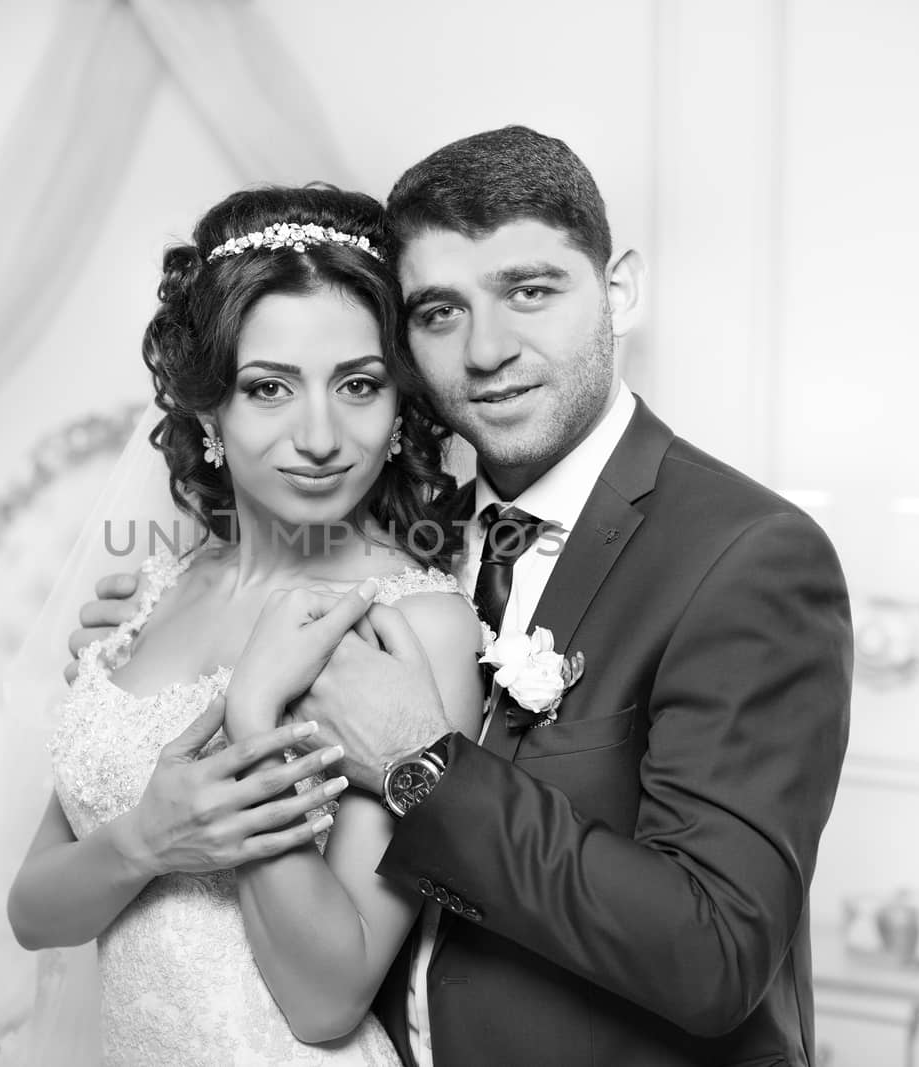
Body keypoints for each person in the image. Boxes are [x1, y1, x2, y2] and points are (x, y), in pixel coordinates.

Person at [70, 126, 853, 1065]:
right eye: (439, 311)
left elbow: (715, 954)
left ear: (620, 290)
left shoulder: (747, 557)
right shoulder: (411, 530)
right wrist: (150, 634)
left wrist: (419, 760)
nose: (487, 349)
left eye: (530, 290)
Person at [7, 183, 486, 1065]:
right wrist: (148, 840)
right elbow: (33, 911)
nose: (319, 434)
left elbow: (327, 998)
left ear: (398, 408)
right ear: (209, 412)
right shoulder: (152, 590)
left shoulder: (415, 628)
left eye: (359, 384)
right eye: (270, 387)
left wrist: (254, 718)